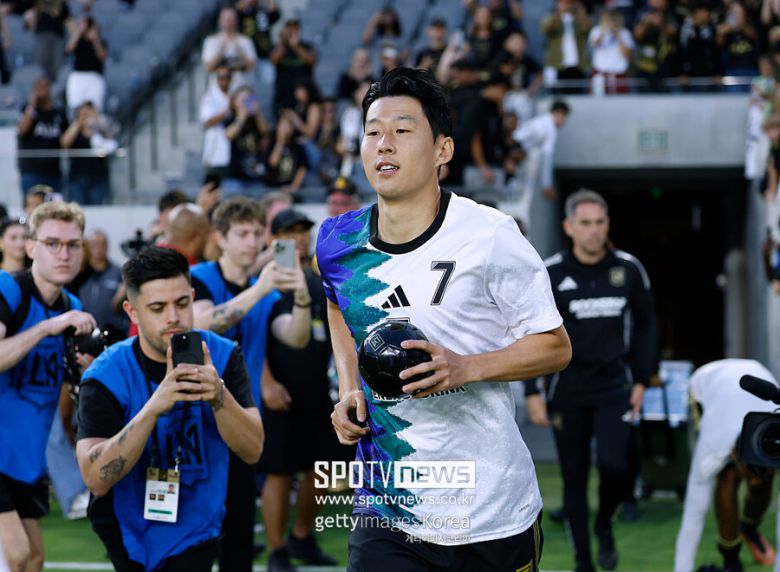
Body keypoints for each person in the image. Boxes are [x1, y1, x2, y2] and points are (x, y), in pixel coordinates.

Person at [317, 67, 571, 571]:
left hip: (489, 511)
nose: (384, 143)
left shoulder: (490, 235)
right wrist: (348, 387)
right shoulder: (336, 242)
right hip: (386, 505)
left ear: (443, 150)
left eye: (402, 129)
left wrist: (466, 367)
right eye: (372, 132)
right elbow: (335, 303)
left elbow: (555, 346)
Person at [75, 247, 263, 572]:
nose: (173, 316)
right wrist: (153, 408)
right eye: (157, 308)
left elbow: (253, 449)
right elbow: (95, 479)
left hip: (198, 522)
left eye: (182, 303)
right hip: (126, 526)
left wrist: (219, 396)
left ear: (193, 297)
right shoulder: (107, 374)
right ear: (132, 312)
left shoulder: (221, 355)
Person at [524, 189, 657, 572]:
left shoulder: (629, 269)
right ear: (569, 227)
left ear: (607, 224)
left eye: (599, 223)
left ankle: (604, 526)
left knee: (616, 467)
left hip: (615, 387)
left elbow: (647, 325)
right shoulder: (550, 273)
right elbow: (529, 330)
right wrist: (532, 390)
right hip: (567, 390)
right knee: (574, 478)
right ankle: (584, 560)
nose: (593, 231)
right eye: (585, 223)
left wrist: (641, 380)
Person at [190, 197, 312, 572]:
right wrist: (259, 289)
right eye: (242, 234)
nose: (252, 242)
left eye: (258, 233)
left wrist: (302, 299)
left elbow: (295, 337)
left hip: (242, 422)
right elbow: (203, 324)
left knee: (239, 536)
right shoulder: (199, 277)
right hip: (195, 421)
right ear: (219, 238)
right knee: (191, 541)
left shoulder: (267, 291)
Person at [0, 201, 96, 572]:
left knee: (35, 559)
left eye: (73, 245)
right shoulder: (9, 288)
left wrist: (85, 372)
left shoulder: (72, 305)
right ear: (30, 247)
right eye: (52, 243)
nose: (64, 253)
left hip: (27, 456)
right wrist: (45, 328)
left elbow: (70, 379)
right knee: (16, 554)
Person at [260, 209, 340, 572]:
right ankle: (277, 550)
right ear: (274, 238)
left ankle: (302, 536)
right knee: (279, 471)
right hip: (279, 392)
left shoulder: (316, 279)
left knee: (324, 469)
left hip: (318, 390)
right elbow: (251, 336)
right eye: (290, 232)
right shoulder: (267, 280)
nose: (299, 238)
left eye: (303, 231)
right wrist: (266, 382)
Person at [674, 359, 778, 572]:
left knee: (763, 482)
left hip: (755, 375)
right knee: (727, 476)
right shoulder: (713, 448)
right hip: (707, 384)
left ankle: (748, 527)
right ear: (733, 454)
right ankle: (731, 557)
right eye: (749, 475)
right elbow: (694, 512)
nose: (752, 482)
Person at [511, 100, 570, 226]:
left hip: (517, 151)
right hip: (514, 151)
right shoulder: (550, 127)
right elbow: (547, 158)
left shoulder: (541, 121)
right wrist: (547, 185)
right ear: (559, 113)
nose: (564, 121)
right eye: (564, 117)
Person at [17, 76, 69, 197]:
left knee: (55, 206)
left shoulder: (59, 113)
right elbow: (22, 130)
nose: (42, 90)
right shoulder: (28, 110)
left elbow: (65, 142)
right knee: (31, 206)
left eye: (44, 87)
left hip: (53, 172)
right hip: (31, 170)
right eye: (38, 87)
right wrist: (32, 104)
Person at [202, 6, 258, 90]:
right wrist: (220, 53)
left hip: (242, 89)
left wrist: (241, 53)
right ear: (220, 21)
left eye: (232, 20)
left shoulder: (246, 41)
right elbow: (208, 67)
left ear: (236, 21)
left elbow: (252, 66)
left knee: (250, 99)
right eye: (226, 20)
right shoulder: (211, 41)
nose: (229, 23)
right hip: (218, 91)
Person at [270, 18, 317, 117]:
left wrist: (295, 46)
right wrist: (283, 43)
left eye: (295, 29)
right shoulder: (280, 47)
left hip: (303, 95)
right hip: (283, 94)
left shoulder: (307, 46)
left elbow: (311, 61)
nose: (292, 32)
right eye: (290, 29)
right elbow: (274, 60)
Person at [65, 9, 107, 113]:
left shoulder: (101, 41)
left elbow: (102, 56)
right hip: (78, 77)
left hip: (95, 77)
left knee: (95, 109)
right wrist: (79, 31)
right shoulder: (78, 41)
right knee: (75, 107)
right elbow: (69, 49)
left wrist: (95, 39)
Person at [199, 65, 233, 181]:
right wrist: (225, 113)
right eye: (221, 78)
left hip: (233, 146)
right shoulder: (210, 97)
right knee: (213, 180)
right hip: (216, 144)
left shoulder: (234, 94)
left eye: (226, 77)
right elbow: (206, 121)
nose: (224, 81)